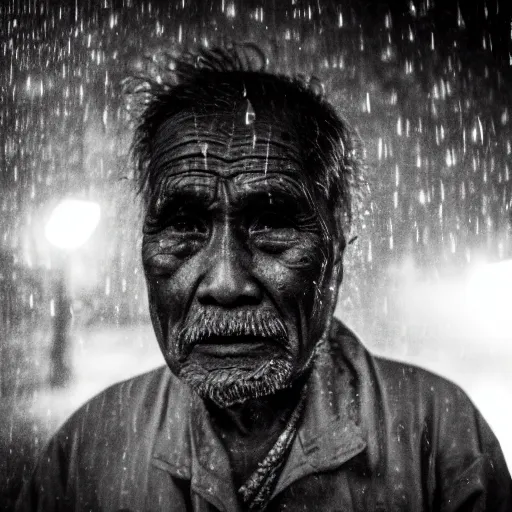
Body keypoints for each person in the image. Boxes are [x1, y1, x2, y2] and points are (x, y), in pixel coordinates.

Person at [16, 45, 511, 512]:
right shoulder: (87, 449)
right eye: (185, 226)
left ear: (336, 247)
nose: (227, 284)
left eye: (272, 223)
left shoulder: (440, 437)